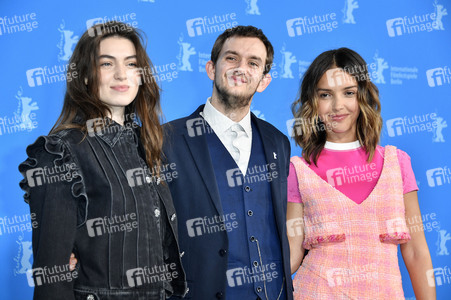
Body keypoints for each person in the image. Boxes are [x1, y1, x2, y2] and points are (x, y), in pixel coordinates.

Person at [18, 21, 187, 300]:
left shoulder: (147, 145)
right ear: (85, 75)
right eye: (107, 64)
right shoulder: (61, 152)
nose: (121, 74)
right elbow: (52, 278)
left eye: (131, 64)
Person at [286, 47, 436, 299]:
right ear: (313, 101)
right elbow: (291, 252)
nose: (337, 105)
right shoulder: (298, 170)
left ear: (363, 95)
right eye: (325, 94)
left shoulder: (396, 163)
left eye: (348, 93)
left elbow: (416, 252)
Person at [163, 26, 293, 299]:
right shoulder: (166, 139)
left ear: (264, 80)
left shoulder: (278, 142)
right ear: (212, 68)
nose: (241, 68)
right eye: (231, 58)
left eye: (253, 62)